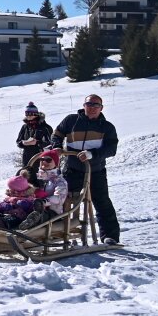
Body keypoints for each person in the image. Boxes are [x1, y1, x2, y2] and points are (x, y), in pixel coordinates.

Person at [51, 93, 121, 245]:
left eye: (96, 105)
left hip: (95, 171)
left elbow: (111, 149)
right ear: (84, 106)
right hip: (72, 170)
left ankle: (110, 236)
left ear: (101, 108)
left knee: (101, 202)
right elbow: (57, 134)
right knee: (62, 200)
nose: (92, 108)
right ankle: (58, 233)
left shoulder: (106, 127)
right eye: (89, 105)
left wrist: (92, 154)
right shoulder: (71, 120)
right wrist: (57, 147)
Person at [15, 103, 54, 179]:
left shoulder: (45, 127)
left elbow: (50, 144)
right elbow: (18, 142)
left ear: (36, 114)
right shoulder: (25, 127)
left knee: (39, 180)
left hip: (40, 158)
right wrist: (24, 143)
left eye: (30, 114)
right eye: (27, 114)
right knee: (27, 179)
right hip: (27, 157)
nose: (28, 116)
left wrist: (37, 142)